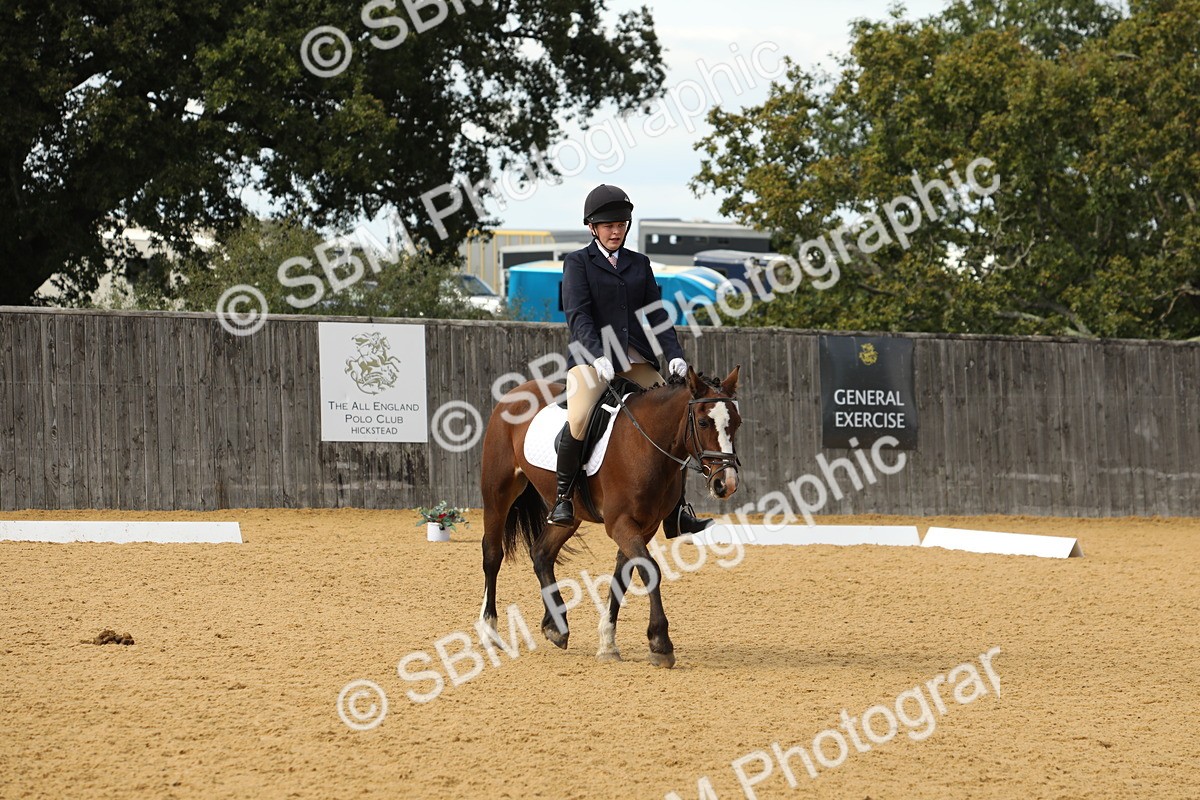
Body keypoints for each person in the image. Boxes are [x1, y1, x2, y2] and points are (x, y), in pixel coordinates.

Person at [547, 183, 714, 538]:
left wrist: (675, 357)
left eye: (621, 224)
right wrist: (598, 356)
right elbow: (579, 316)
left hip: (636, 359)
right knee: (578, 417)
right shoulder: (578, 263)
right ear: (592, 227)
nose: (615, 230)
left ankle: (678, 510)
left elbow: (656, 315)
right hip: (591, 359)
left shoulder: (640, 263)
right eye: (608, 225)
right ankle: (563, 497)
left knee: (675, 416)